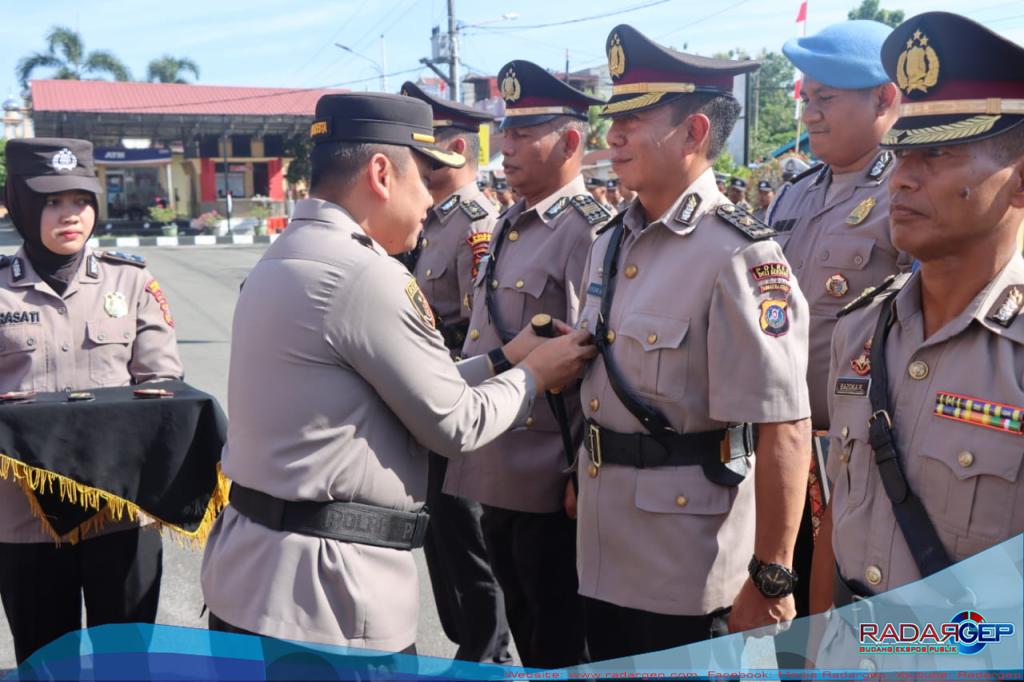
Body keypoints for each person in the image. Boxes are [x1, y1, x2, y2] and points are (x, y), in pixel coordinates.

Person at [200, 93, 596, 653]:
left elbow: (389, 382)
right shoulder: (364, 274)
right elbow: (455, 425)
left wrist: (505, 359)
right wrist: (534, 374)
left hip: (252, 580)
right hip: (328, 600)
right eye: (425, 182)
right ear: (382, 173)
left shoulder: (287, 255)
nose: (429, 205)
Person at [575, 24, 812, 661]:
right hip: (604, 545)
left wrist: (772, 573)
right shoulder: (609, 241)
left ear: (695, 133)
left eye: (635, 117)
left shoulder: (739, 255)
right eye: (612, 118)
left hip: (689, 564)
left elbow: (784, 424)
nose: (613, 135)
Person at [812, 11, 1024, 670]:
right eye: (902, 152)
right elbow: (837, 517)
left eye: (938, 153)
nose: (901, 178)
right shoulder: (860, 331)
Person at [442, 60, 609, 669]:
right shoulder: (511, 220)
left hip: (549, 472)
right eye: (504, 133)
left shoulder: (587, 231)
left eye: (522, 133)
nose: (505, 147)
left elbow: (590, 357)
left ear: (569, 142)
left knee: (560, 637)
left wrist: (580, 469)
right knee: (521, 618)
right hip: (495, 462)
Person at [0, 137, 183, 664]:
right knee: (44, 660)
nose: (70, 215)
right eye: (52, 202)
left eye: (80, 200)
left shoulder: (132, 280)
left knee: (126, 660)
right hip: (24, 517)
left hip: (119, 512)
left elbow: (163, 384)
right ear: (20, 203)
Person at [767, 19, 911, 635]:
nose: (809, 113)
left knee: (836, 630)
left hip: (850, 458)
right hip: (773, 449)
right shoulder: (793, 193)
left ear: (885, 99)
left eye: (826, 99)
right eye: (806, 97)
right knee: (773, 617)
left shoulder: (907, 193)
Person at [399, 80, 513, 665]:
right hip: (430, 394)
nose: (412, 159)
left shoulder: (477, 223)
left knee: (469, 543)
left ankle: (486, 653)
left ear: (459, 151)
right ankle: (470, 644)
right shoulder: (431, 220)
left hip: (461, 393)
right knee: (442, 540)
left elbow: (480, 327)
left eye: (425, 146)